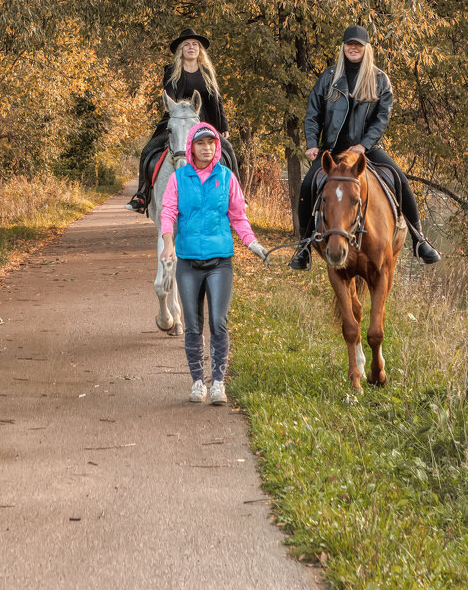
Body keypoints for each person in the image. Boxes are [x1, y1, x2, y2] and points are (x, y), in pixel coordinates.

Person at [289, 25, 441, 270]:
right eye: (350, 44)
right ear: (343, 47)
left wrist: (364, 144)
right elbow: (313, 113)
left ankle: (419, 239)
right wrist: (311, 143)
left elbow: (382, 117)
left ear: (366, 49)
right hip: (332, 150)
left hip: (367, 150)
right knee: (308, 185)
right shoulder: (329, 77)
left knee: (399, 179)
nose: (353, 48)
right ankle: (303, 247)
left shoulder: (380, 80)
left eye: (358, 45)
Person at [160, 122, 268, 404]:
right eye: (201, 143)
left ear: (216, 146)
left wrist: (253, 243)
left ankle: (218, 383)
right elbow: (168, 211)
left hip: (220, 262)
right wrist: (168, 242)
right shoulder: (178, 178)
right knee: (194, 326)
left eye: (211, 143)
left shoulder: (227, 177)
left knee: (218, 322)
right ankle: (198, 382)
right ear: (191, 148)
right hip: (187, 263)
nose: (207, 148)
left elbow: (238, 216)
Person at [126, 28, 239, 212]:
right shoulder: (171, 71)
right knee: (148, 150)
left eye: (195, 44)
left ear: (200, 50)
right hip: (177, 120)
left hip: (203, 123)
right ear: (181, 50)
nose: (191, 47)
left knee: (228, 150)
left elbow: (216, 100)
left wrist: (223, 125)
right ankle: (142, 195)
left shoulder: (207, 73)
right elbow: (169, 95)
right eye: (187, 44)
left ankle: (237, 196)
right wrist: (177, 111)